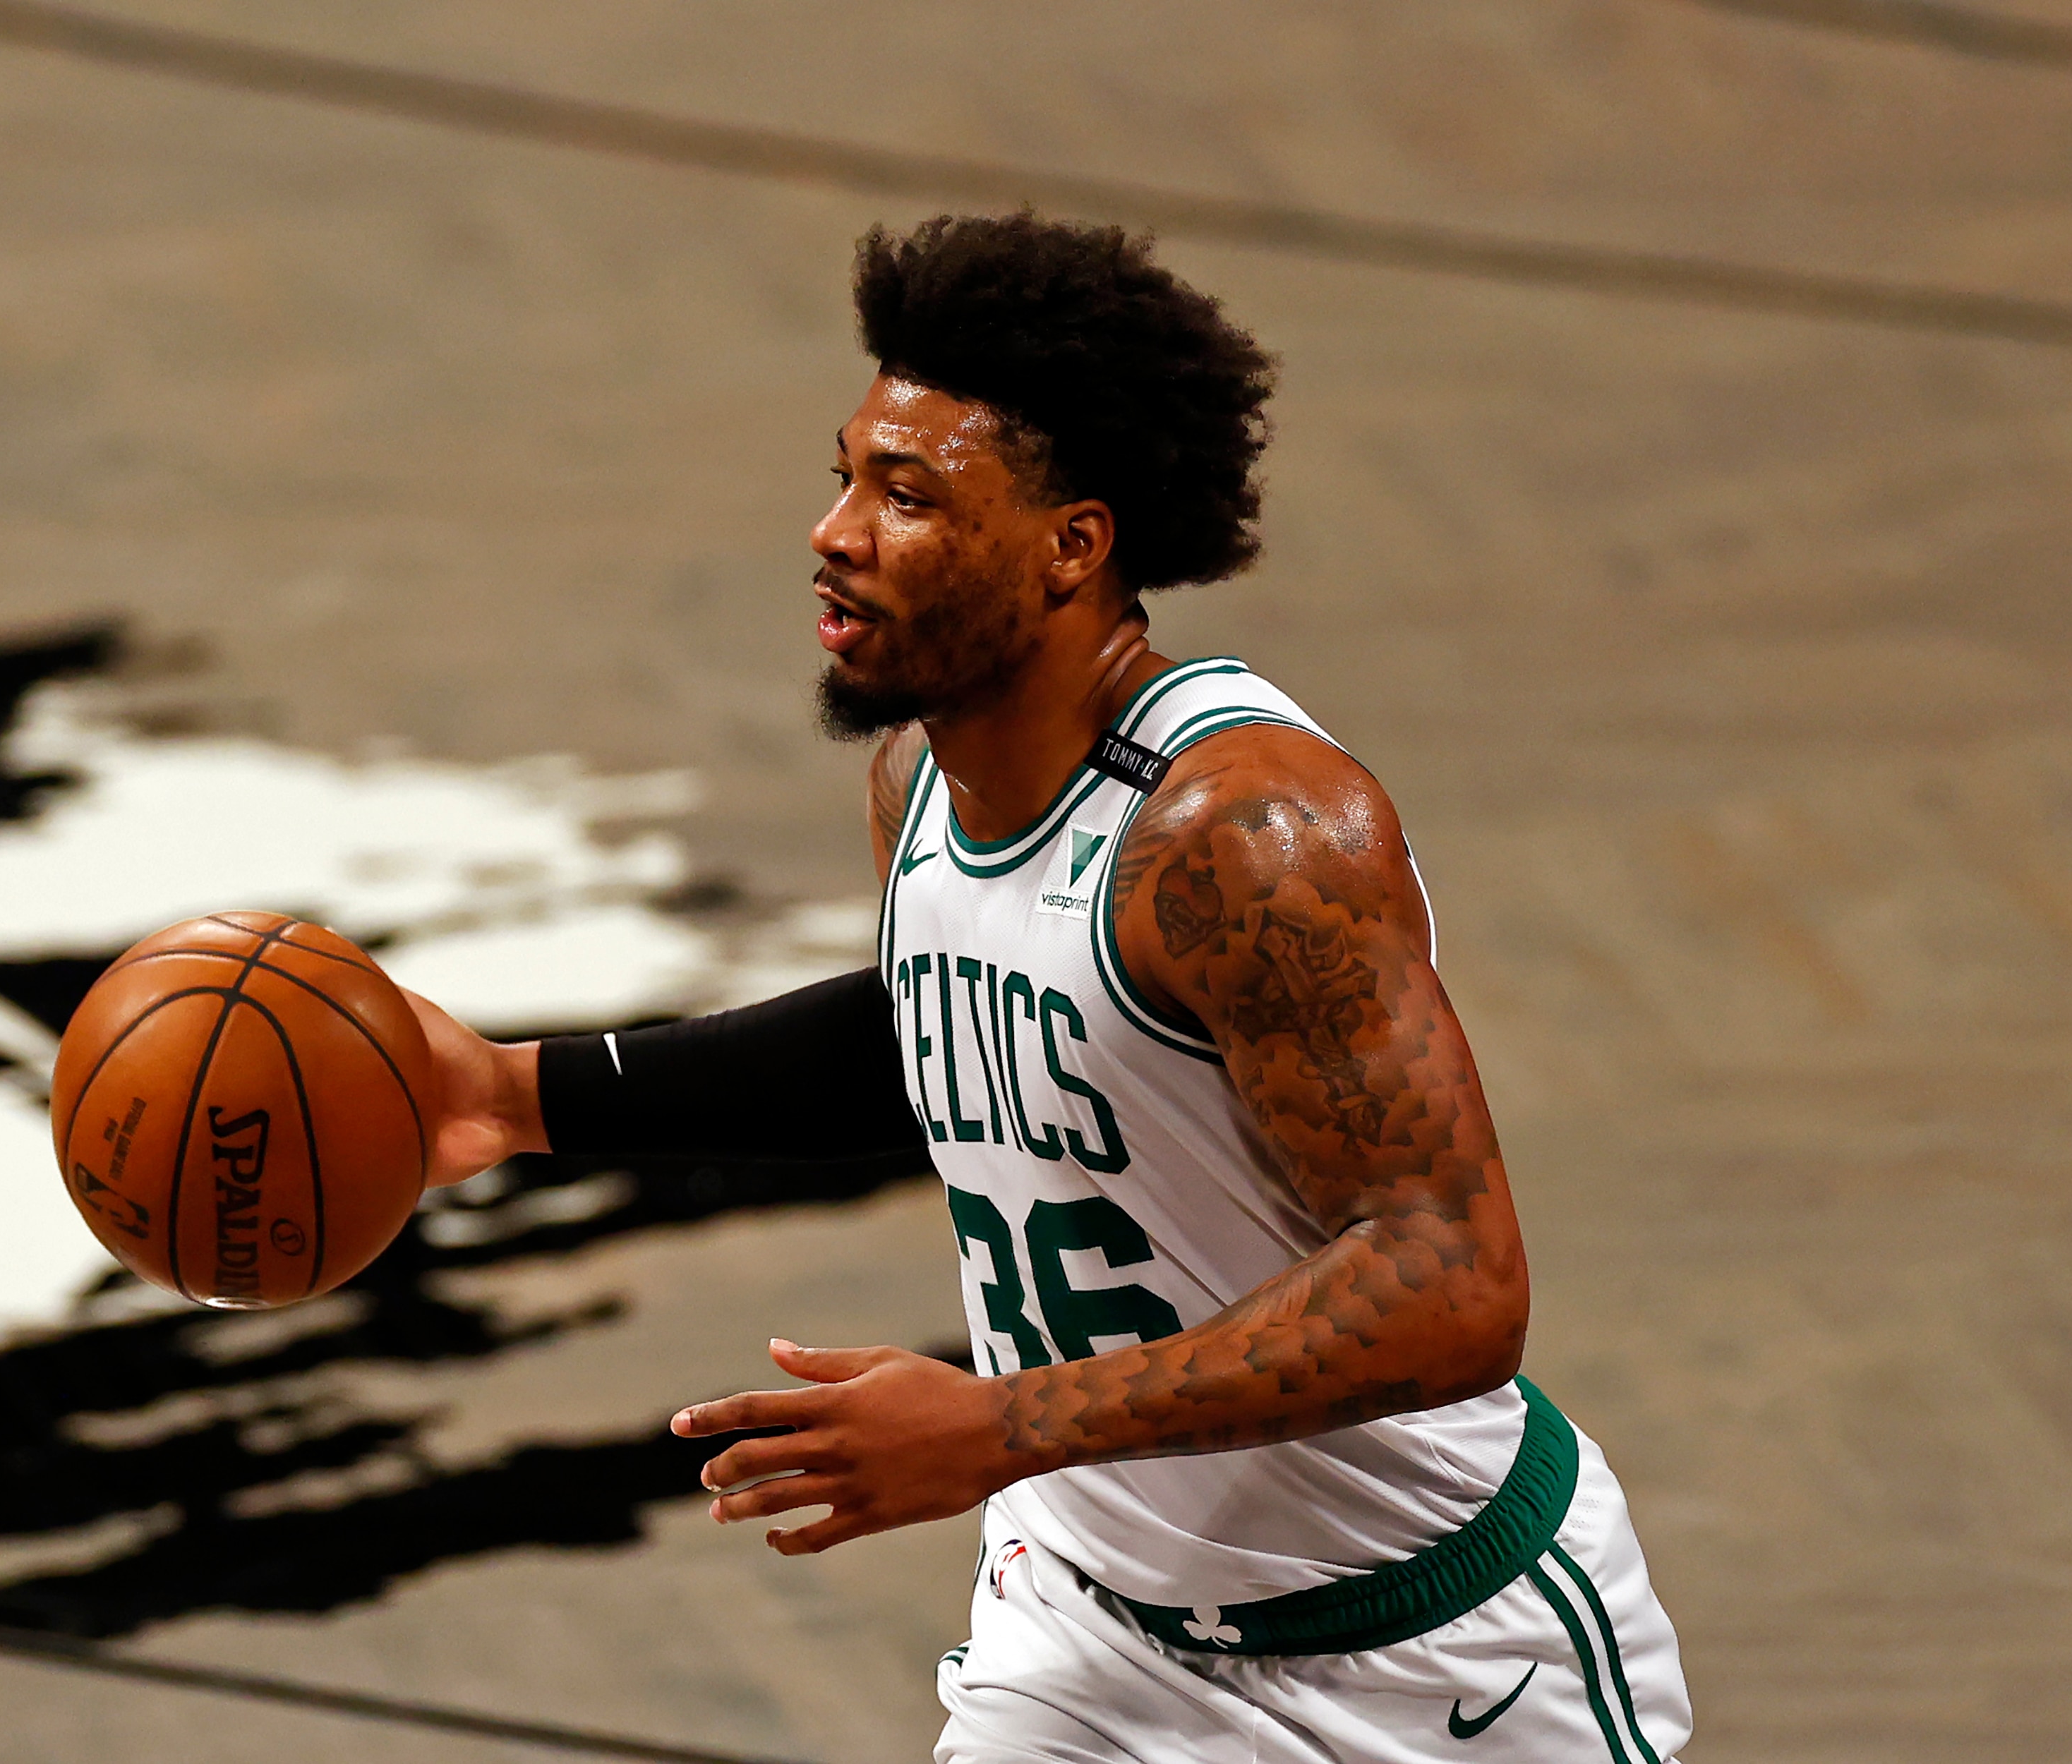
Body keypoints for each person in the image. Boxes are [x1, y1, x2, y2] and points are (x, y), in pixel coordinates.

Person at [406, 212, 1689, 1763]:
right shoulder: (918, 781)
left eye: (905, 495)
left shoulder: (1246, 837)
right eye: (845, 475)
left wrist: (996, 1425)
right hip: (1090, 1634)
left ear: (1072, 545)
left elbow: (1452, 1280)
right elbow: (946, 1027)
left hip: (1427, 1652)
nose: (832, 531)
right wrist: (520, 1095)